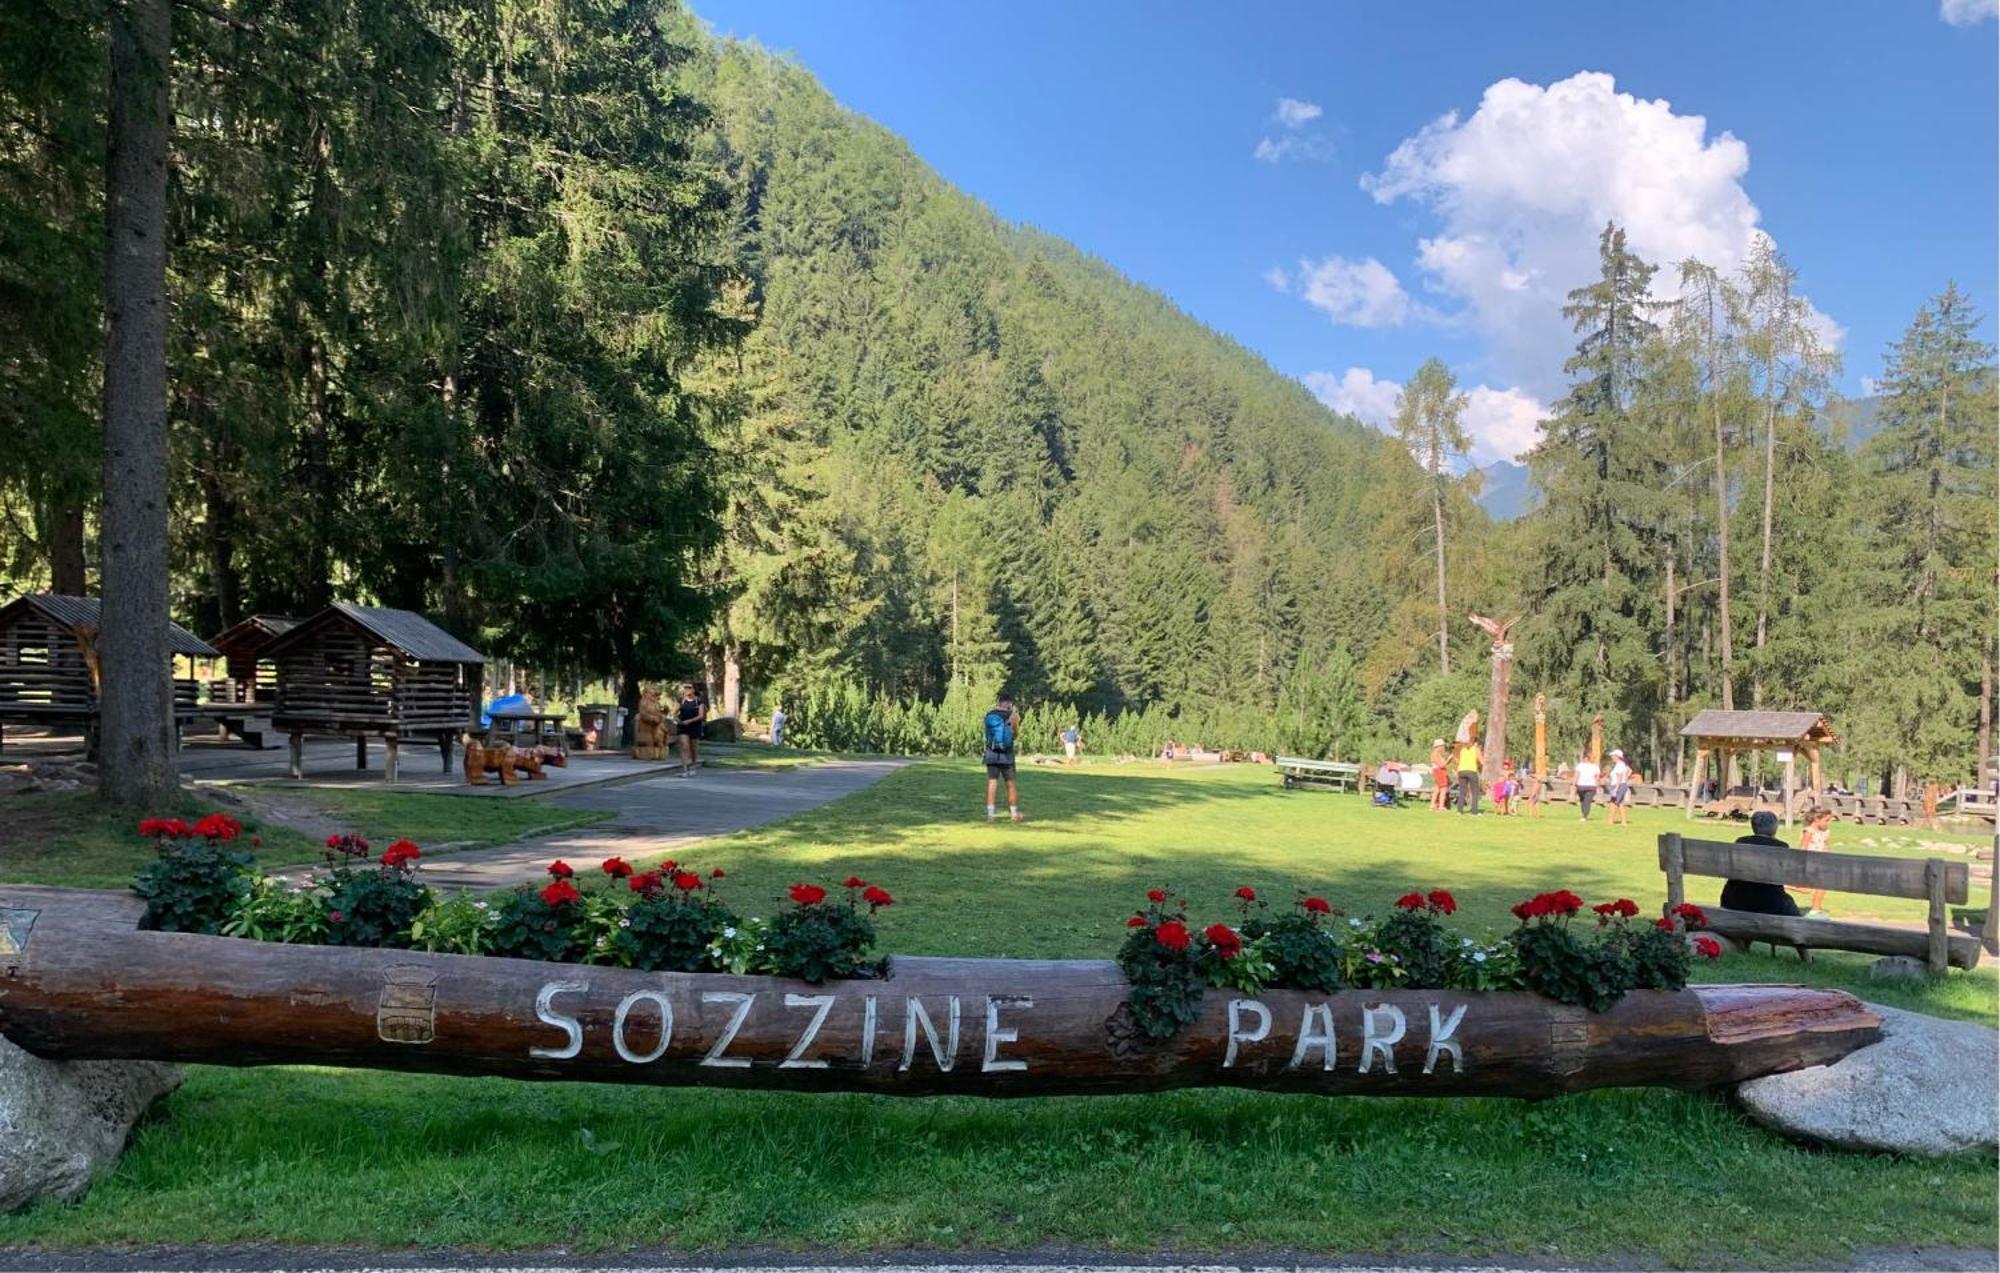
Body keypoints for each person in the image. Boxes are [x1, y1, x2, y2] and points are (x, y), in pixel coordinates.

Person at [1721, 812, 1809, 961]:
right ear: (1774, 828)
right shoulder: (1781, 847)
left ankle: (1745, 946)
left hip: (1735, 900)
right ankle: (1806, 956)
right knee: (1791, 909)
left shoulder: (1740, 842)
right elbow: (1787, 875)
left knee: (1752, 892)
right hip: (1769, 903)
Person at [983, 691, 1021, 822]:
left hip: (991, 753)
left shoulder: (989, 715)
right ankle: (1014, 813)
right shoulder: (1013, 715)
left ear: (998, 702)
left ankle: (990, 815)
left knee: (992, 783)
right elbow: (1015, 734)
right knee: (1010, 784)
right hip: (1007, 754)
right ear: (1009, 703)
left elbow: (987, 735)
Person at [1800, 807, 1835, 914]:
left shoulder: (1825, 831)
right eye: (1826, 820)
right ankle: (1784, 885)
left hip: (1821, 862)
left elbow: (1825, 845)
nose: (1828, 823)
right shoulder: (1809, 831)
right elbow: (1803, 848)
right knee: (1807, 889)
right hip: (1810, 861)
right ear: (1816, 819)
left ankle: (1815, 909)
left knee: (1822, 885)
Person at [675, 682, 706, 775]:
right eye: (685, 687)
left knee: (693, 748)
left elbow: (701, 716)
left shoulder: (698, 702)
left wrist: (689, 721)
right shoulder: (681, 701)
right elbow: (674, 712)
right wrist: (676, 719)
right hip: (683, 727)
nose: (687, 689)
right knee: (684, 746)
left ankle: (693, 765)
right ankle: (685, 768)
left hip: (694, 726)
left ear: (693, 690)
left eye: (689, 687)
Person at [1454, 735, 1482, 815]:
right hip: (1471, 770)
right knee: (1474, 792)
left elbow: (1457, 760)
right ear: (1474, 742)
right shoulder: (1476, 749)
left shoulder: (1462, 749)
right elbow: (1481, 760)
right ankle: (1474, 811)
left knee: (1462, 791)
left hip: (1462, 770)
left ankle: (1459, 810)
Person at [1605, 749, 1633, 825]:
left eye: (1613, 756)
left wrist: (1617, 787)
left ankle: (1611, 821)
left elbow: (1619, 776)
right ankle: (1623, 822)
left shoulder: (1620, 764)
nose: (1612, 757)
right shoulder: (1621, 764)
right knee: (1619, 803)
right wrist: (1626, 778)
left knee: (1614, 803)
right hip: (1620, 784)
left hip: (1619, 785)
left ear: (1617, 756)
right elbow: (1629, 770)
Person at [1573, 751, 1600, 820]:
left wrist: (1574, 784)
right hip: (1591, 786)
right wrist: (1597, 786)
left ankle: (1584, 815)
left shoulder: (1580, 765)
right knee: (1587, 801)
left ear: (1585, 758)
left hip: (1581, 785)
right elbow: (1597, 778)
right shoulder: (1595, 767)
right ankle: (1584, 815)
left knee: (1583, 801)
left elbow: (1576, 776)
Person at [1428, 738, 1450, 812]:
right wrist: (1449, 759)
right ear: (1438, 746)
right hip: (1439, 772)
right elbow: (1442, 765)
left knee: (1436, 788)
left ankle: (1432, 805)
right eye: (1442, 746)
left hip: (1438, 771)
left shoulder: (1437, 754)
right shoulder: (1435, 754)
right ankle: (1441, 806)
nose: (1443, 747)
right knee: (1443, 789)